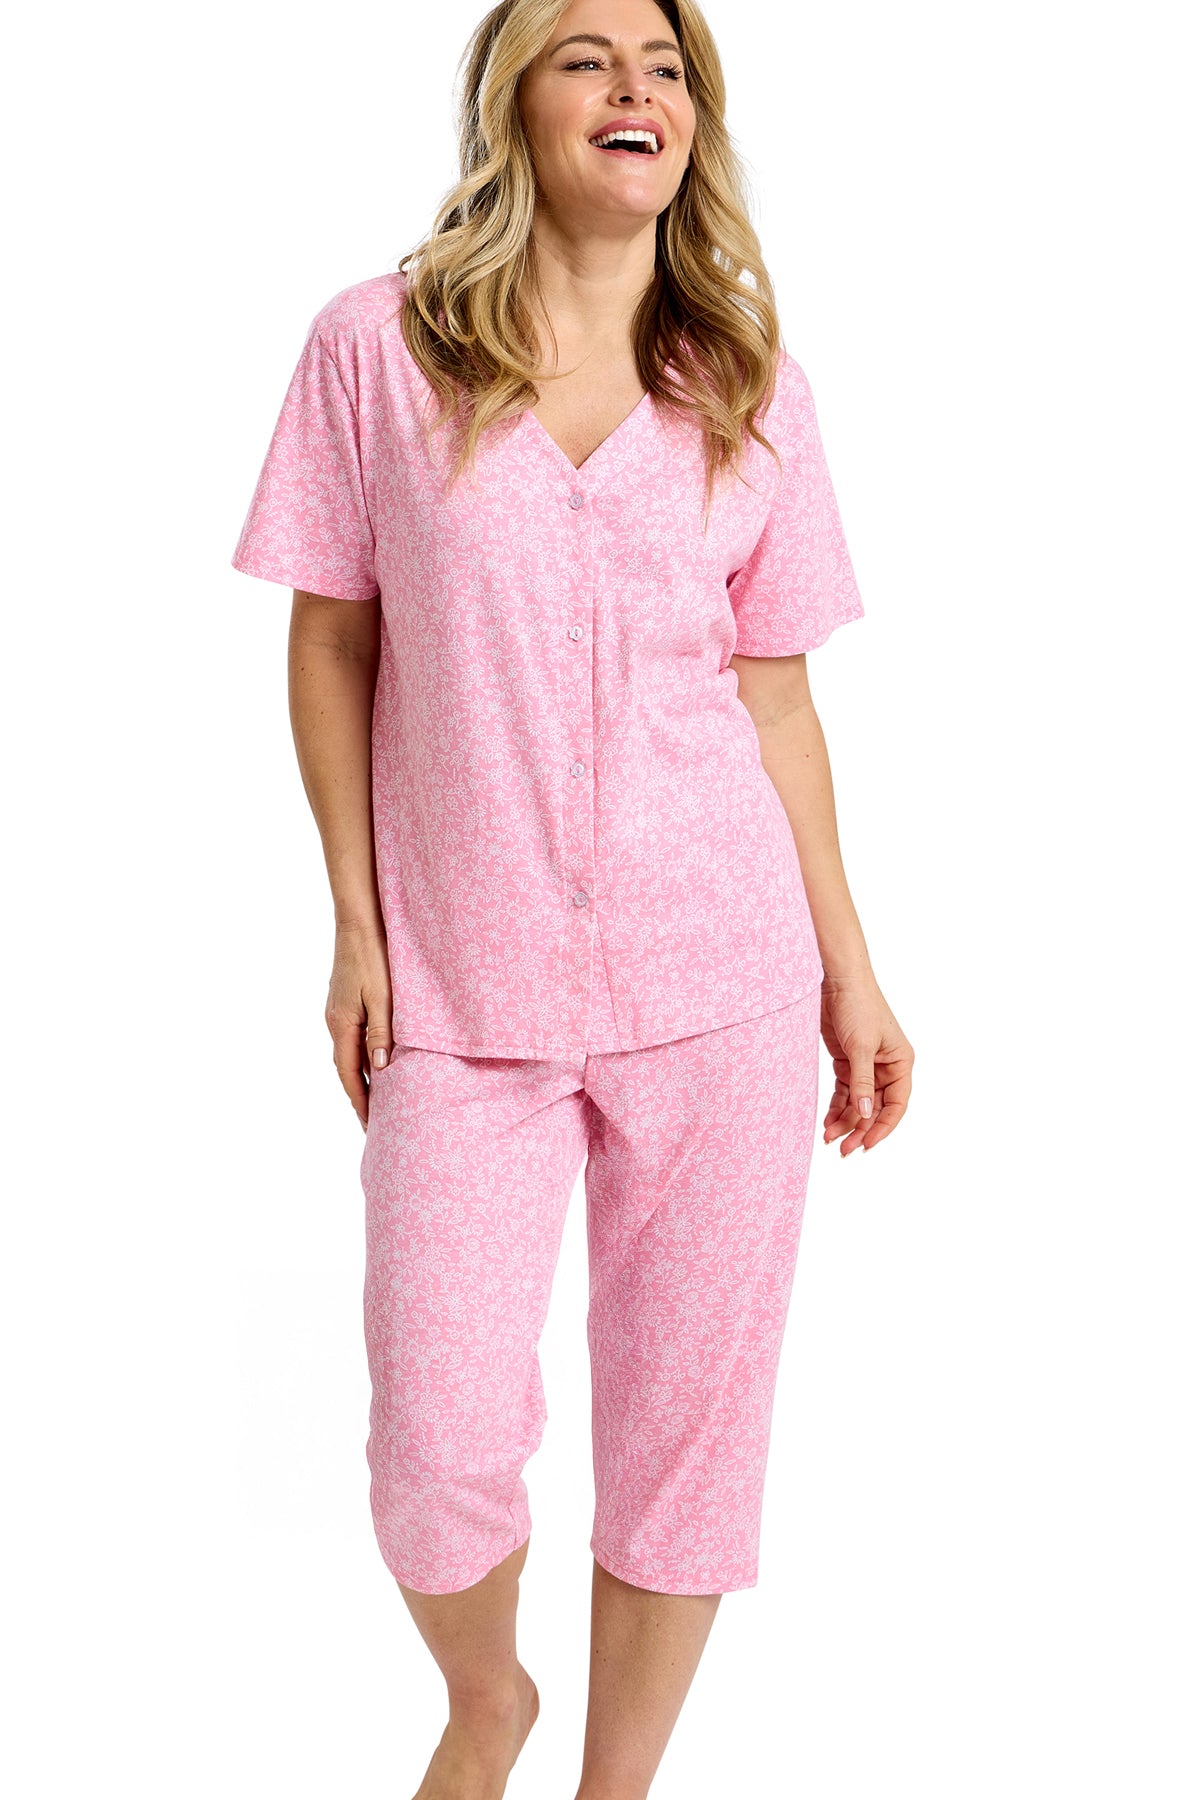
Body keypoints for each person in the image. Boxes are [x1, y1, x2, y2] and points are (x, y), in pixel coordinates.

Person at [231, 0, 914, 1793]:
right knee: (436, 1445)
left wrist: (850, 970)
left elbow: (777, 700)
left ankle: (617, 1790)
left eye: (667, 67)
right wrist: (355, 926)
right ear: (514, 102)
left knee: (689, 1441)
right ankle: (488, 1701)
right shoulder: (378, 349)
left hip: (724, 979)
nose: (636, 89)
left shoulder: (750, 384)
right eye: (589, 56)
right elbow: (332, 641)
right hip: (461, 987)